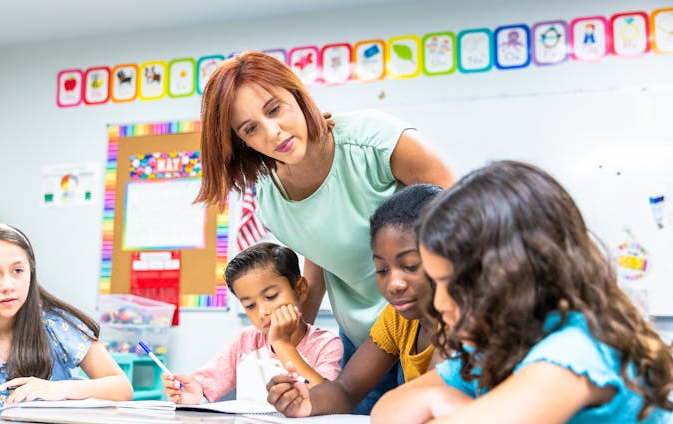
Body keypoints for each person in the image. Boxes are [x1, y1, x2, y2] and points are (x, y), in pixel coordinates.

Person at [195, 50, 455, 413]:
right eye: (250, 128)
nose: (272, 132)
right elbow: (318, 260)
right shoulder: (270, 201)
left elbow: (464, 218)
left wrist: (460, 314)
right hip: (368, 341)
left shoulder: (374, 140)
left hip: (435, 324)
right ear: (242, 142)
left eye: (274, 109)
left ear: (298, 95)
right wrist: (295, 344)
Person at [371, 161, 673, 423]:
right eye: (436, 283)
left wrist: (446, 407)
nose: (439, 303)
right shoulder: (496, 346)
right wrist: (443, 402)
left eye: (455, 285)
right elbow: (387, 410)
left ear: (513, 276)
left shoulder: (578, 349)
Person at [0, 222, 133, 418]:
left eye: (18, 271)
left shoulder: (56, 325)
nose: (8, 285)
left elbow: (122, 387)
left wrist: (59, 389)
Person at [267, 184, 443, 416]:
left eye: (410, 266)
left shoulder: (463, 321)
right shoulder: (398, 320)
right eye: (381, 270)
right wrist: (306, 401)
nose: (394, 284)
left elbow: (429, 400)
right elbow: (346, 389)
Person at [161, 242, 342, 404]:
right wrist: (195, 392)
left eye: (271, 296)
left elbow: (326, 399)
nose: (263, 312)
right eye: (250, 305)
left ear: (300, 289)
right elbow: (206, 384)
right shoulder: (246, 341)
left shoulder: (326, 344)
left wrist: (282, 343)